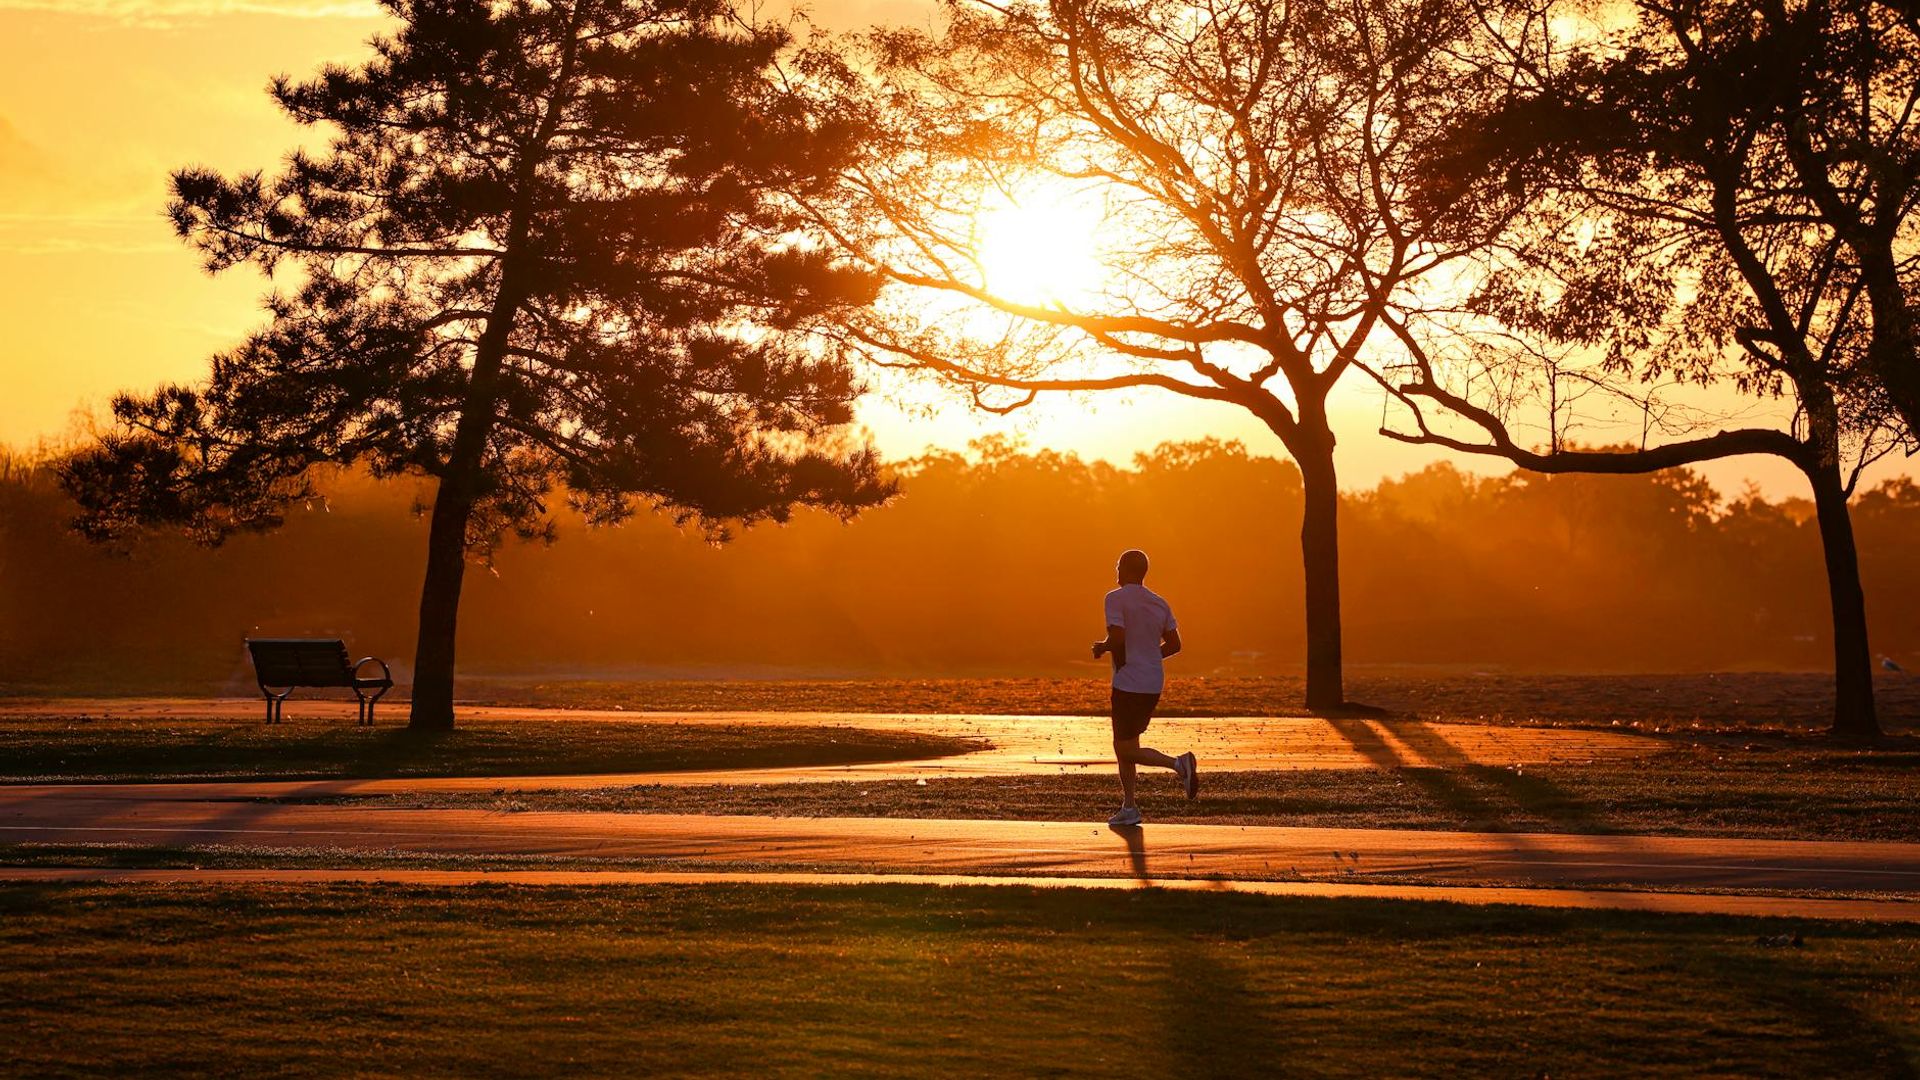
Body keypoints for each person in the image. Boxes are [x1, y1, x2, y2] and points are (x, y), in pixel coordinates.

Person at [1092, 548, 1196, 827]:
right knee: (1125, 744)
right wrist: (1150, 657)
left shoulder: (1114, 599)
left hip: (1129, 683)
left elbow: (1118, 635)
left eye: (1117, 567)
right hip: (1152, 682)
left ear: (1125, 571)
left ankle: (1178, 764)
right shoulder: (1159, 603)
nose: (1115, 572)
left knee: (1124, 749)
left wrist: (1102, 647)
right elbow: (1175, 644)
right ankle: (1129, 807)